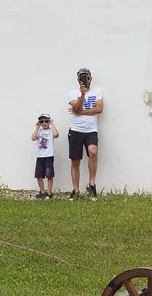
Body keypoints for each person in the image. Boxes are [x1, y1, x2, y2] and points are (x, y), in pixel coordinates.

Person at [67, 67, 103, 200]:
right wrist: (82, 95)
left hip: (91, 130)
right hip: (76, 130)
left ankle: (91, 184)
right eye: (81, 77)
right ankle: (75, 190)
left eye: (86, 77)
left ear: (90, 78)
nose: (84, 79)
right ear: (78, 79)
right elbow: (76, 107)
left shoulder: (97, 92)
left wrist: (81, 112)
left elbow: (99, 108)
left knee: (93, 152)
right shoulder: (72, 92)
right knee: (75, 161)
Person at [30, 113, 59, 199]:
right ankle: (42, 192)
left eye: (46, 121)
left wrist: (52, 124)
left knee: (49, 175)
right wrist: (37, 127)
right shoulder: (39, 131)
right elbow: (33, 138)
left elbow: (56, 135)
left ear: (49, 121)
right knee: (39, 175)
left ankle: (49, 193)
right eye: (42, 121)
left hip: (49, 156)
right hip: (40, 156)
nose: (44, 123)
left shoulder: (51, 131)